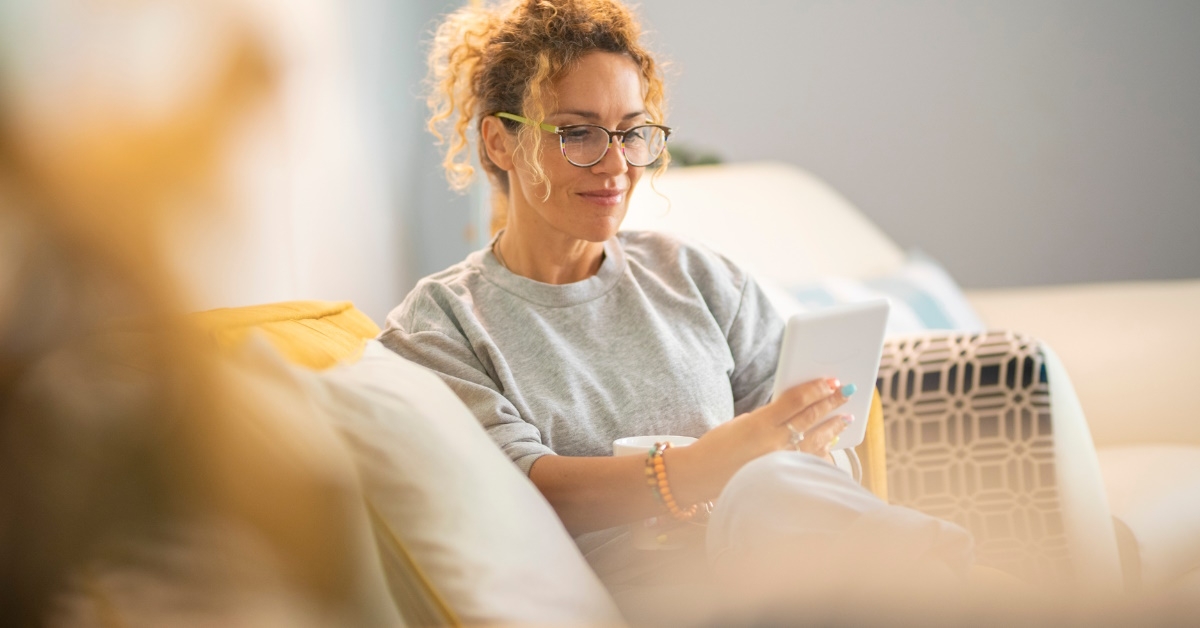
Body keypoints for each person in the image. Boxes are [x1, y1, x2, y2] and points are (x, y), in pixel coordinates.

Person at [381, 0, 973, 608]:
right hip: (657, 603)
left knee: (776, 494)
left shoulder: (696, 276)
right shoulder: (441, 324)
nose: (616, 165)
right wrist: (704, 466)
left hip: (795, 577)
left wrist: (807, 437)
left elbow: (807, 471)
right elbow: (522, 491)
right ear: (499, 142)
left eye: (633, 132)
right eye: (577, 132)